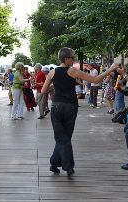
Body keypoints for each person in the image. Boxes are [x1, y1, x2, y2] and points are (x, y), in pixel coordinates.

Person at [41, 47, 118, 177]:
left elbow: (43, 90)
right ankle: (68, 166)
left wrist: (56, 84)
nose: (74, 59)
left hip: (56, 106)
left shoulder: (52, 72)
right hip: (70, 106)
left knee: (61, 137)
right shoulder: (73, 71)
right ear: (66, 59)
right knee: (65, 136)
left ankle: (54, 163)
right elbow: (95, 80)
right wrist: (109, 70)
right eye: (72, 57)